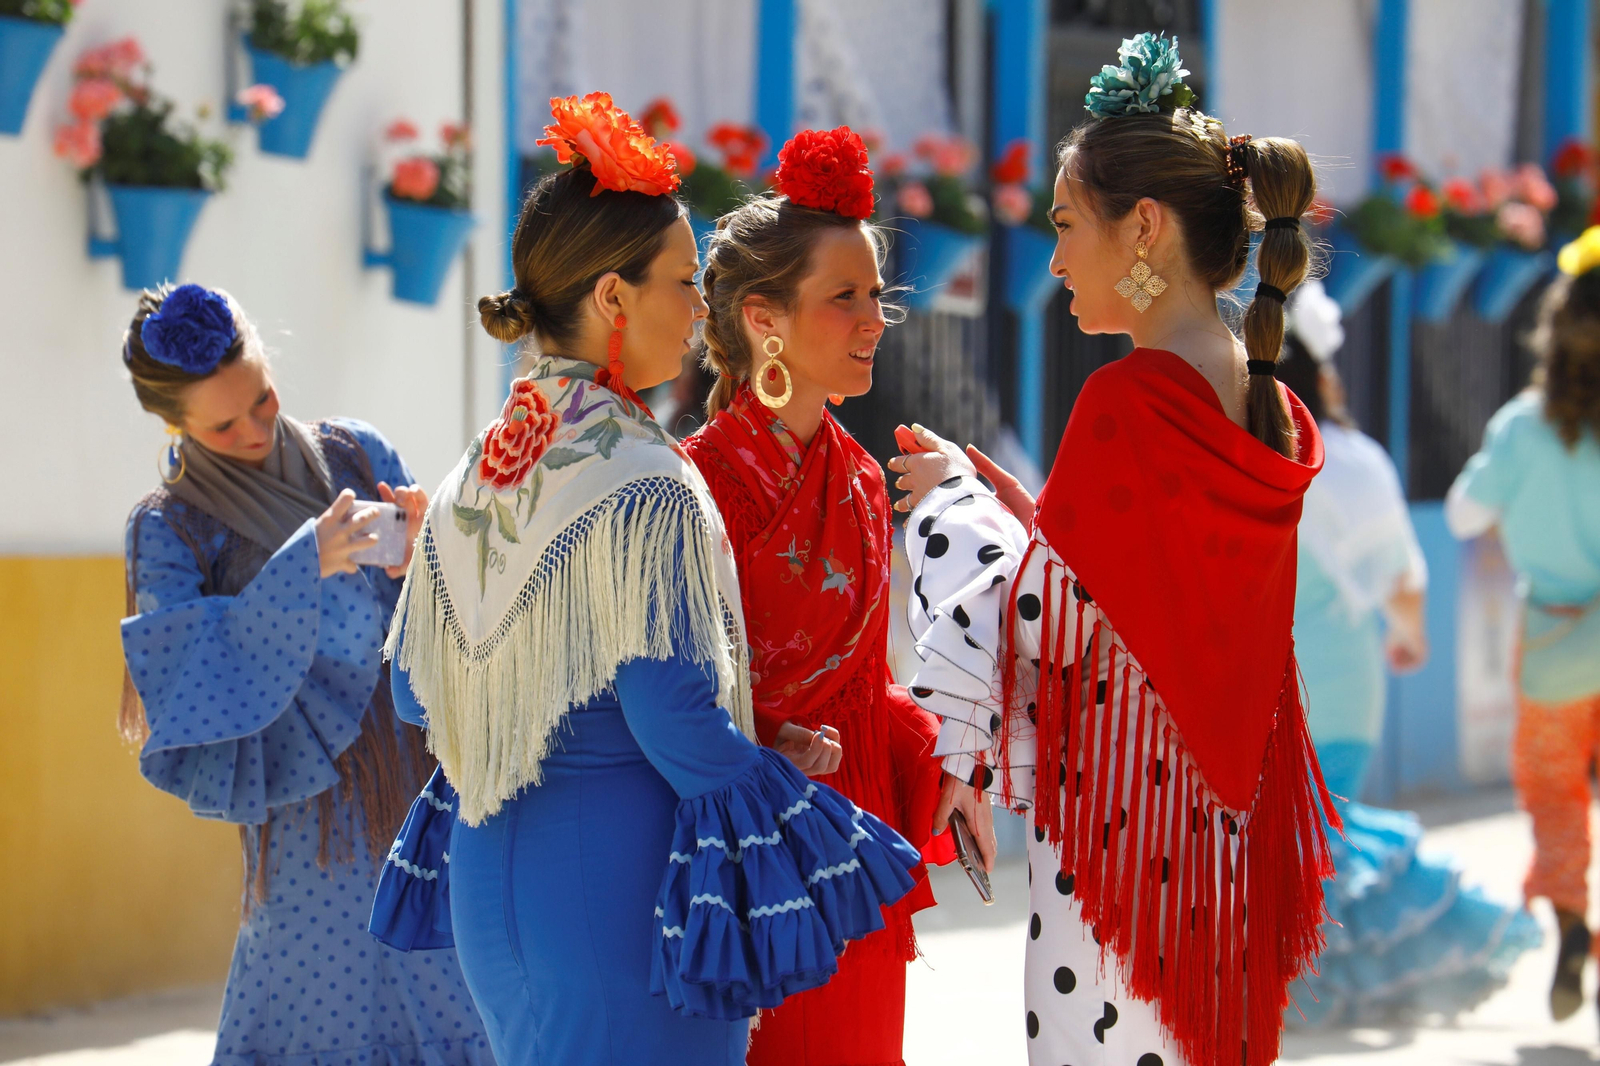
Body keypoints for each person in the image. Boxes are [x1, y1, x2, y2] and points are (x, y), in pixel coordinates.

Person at [367, 94, 922, 1066]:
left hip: (494, 886)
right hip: (614, 898)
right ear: (613, 299)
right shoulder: (640, 478)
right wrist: (806, 829)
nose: (697, 307)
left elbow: (420, 690)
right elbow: (671, 718)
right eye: (679, 281)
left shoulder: (482, 468)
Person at [890, 34, 1337, 1066]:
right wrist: (1016, 505)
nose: (1050, 259)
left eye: (1063, 224)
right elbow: (1129, 590)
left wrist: (953, 510)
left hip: (1126, 850)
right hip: (1219, 844)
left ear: (1142, 227)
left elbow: (1044, 621)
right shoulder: (1254, 397)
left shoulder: (1128, 400)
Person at [117, 283, 492, 1065]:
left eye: (264, 398)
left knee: (448, 980)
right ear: (172, 423)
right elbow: (183, 671)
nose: (256, 427)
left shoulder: (355, 452)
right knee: (319, 995)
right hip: (305, 812)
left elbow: (454, 606)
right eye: (224, 423)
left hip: (423, 783)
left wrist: (437, 542)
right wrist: (302, 568)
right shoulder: (168, 526)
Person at [683, 126, 946, 1066]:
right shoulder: (693, 487)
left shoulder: (867, 481)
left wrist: (950, 760)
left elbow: (868, 689)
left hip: (854, 849)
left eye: (877, 294)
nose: (875, 318)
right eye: (845, 298)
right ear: (765, 319)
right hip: (741, 860)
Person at [1277, 281, 1538, 1025]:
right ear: (1323, 374)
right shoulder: (1358, 461)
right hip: (1347, 675)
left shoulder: (1240, 456)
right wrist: (1408, 635)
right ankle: (1329, 986)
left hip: (1266, 675)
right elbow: (1401, 578)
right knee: (1329, 828)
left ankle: (1297, 990)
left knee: (1280, 837)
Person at [1447, 226, 1600, 1022]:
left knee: (1554, 796)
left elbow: (1465, 513)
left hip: (1553, 646)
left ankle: (1573, 920)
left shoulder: (1524, 426)